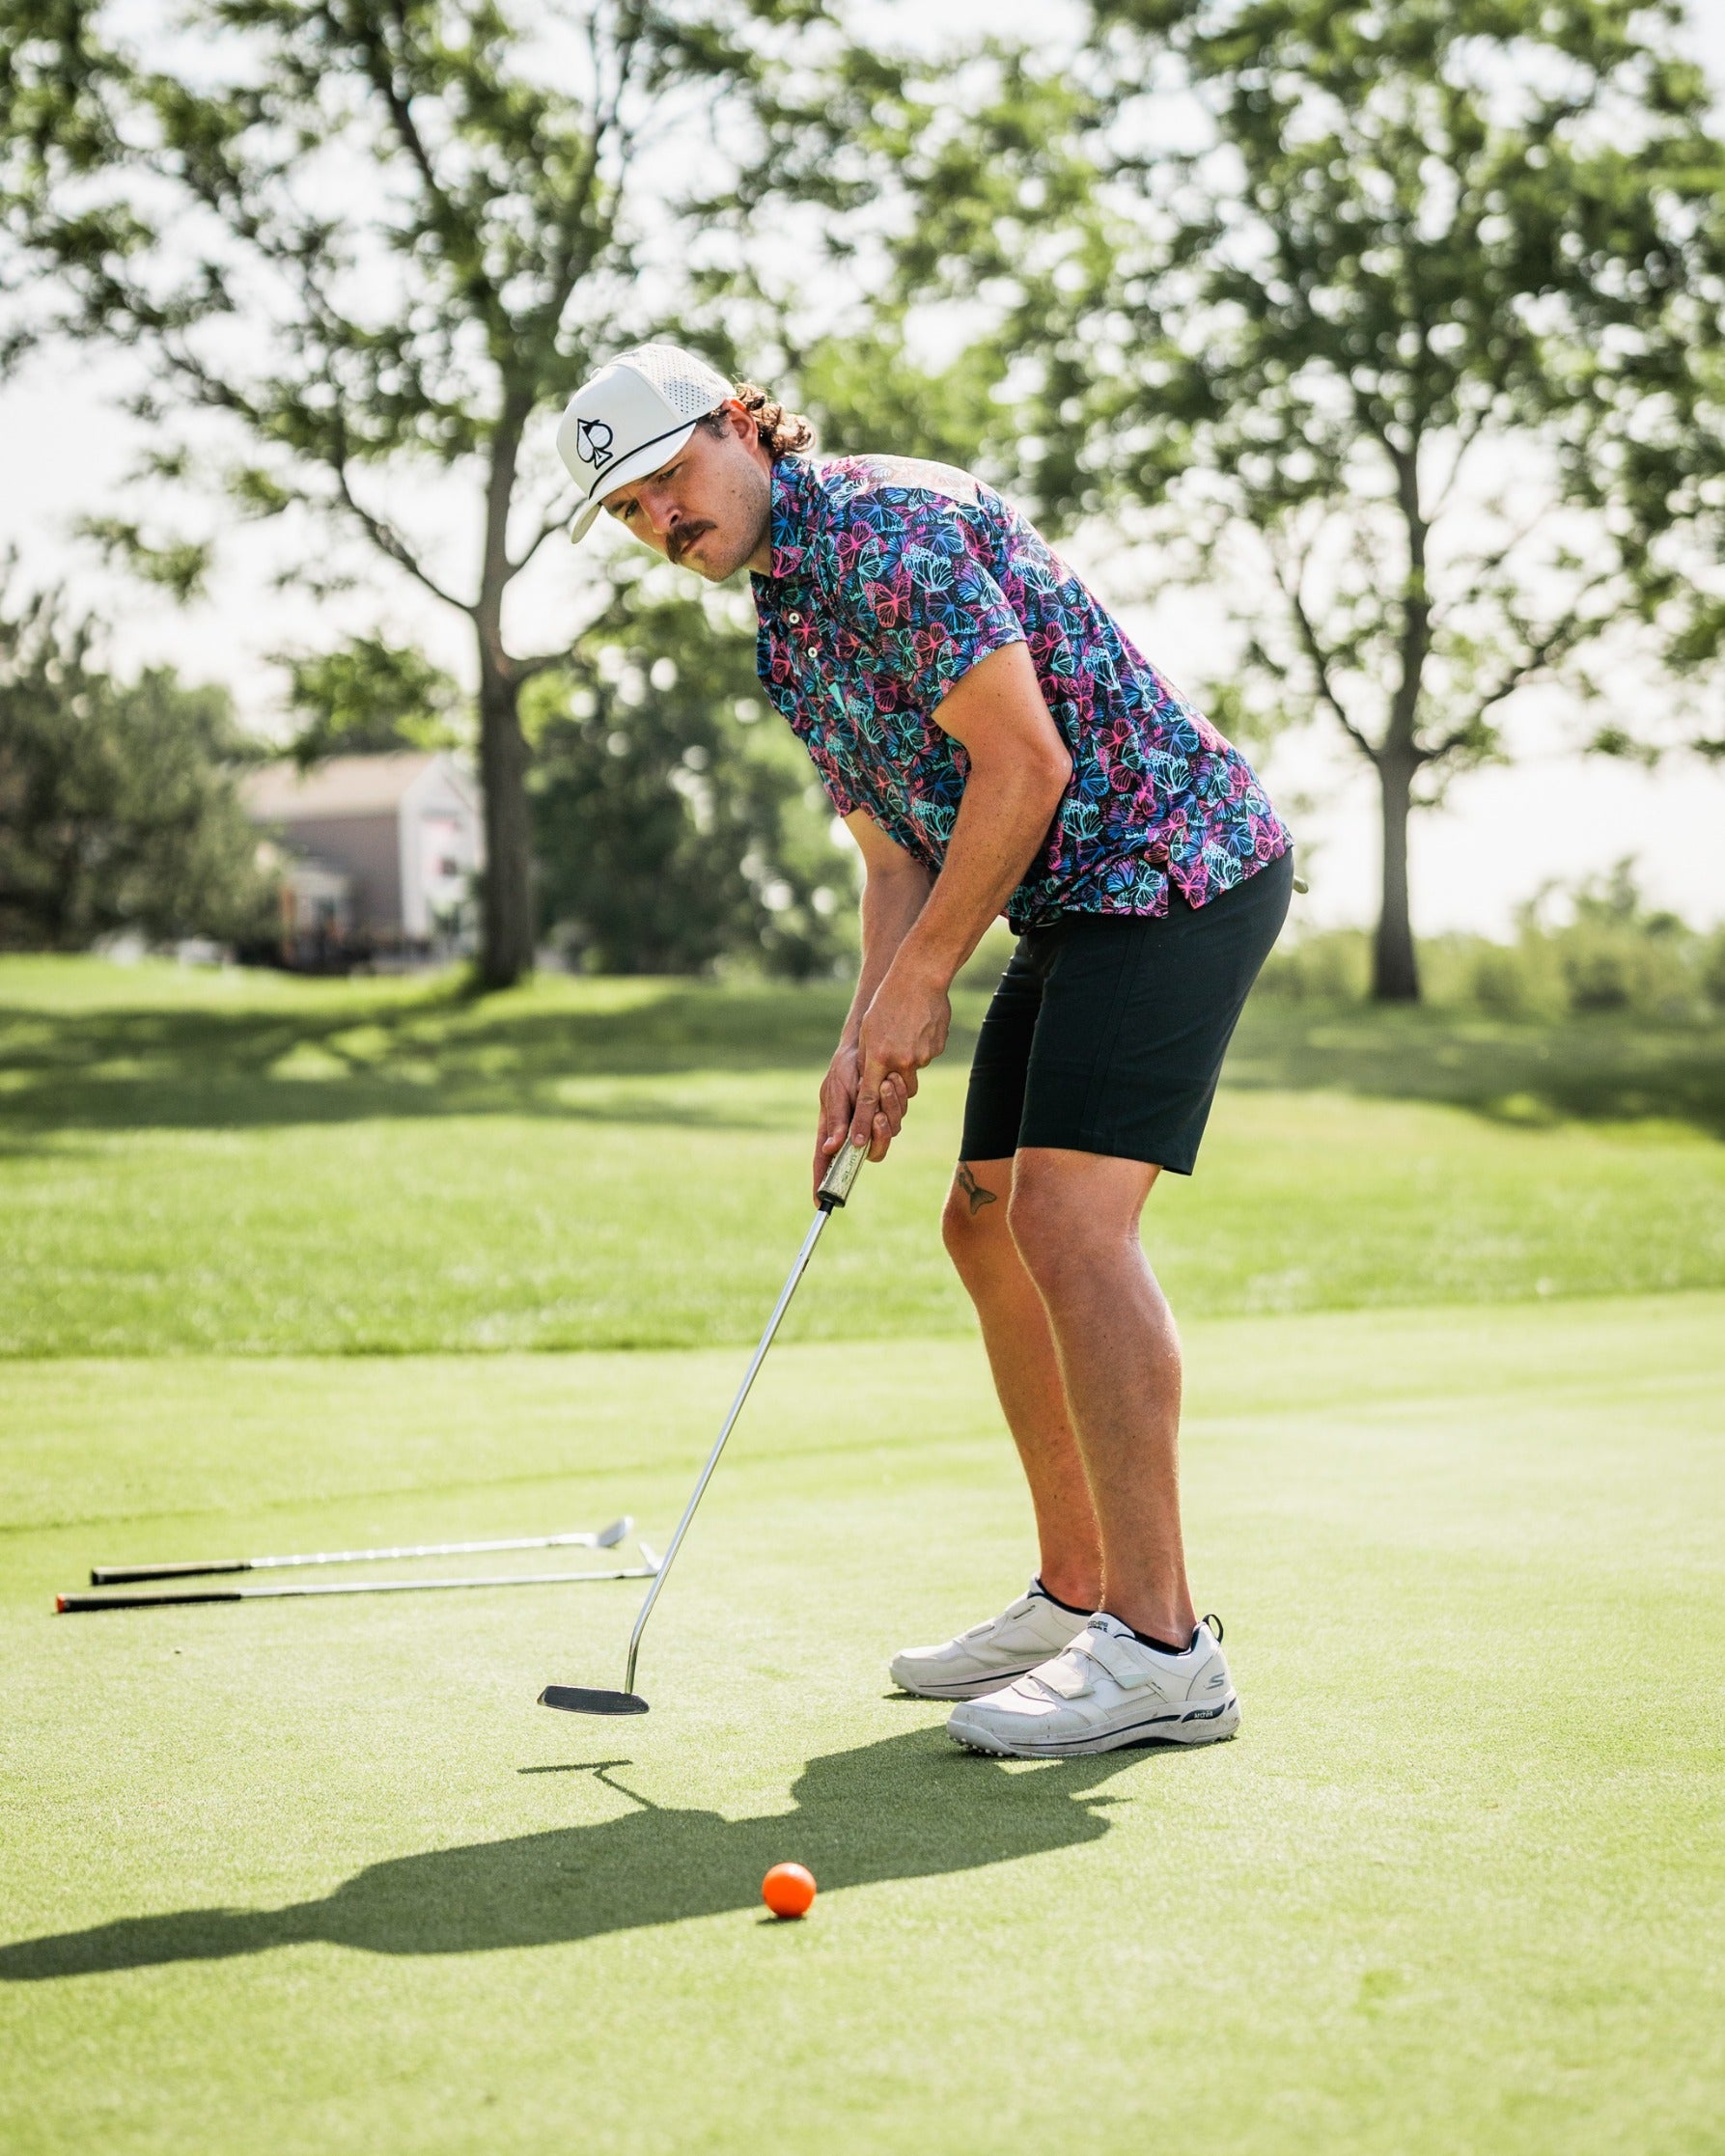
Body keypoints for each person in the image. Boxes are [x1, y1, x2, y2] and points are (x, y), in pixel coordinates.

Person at [555, 345, 1294, 1757]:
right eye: (632, 516)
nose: (664, 525)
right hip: (1075, 896)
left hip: (1176, 865)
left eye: (671, 483)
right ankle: (1078, 1592)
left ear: (738, 426)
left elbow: (1027, 767)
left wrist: (929, 987)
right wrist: (861, 1033)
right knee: (983, 1225)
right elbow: (894, 853)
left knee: (1072, 1224)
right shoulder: (783, 621)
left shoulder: (890, 530)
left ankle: (1163, 1644)